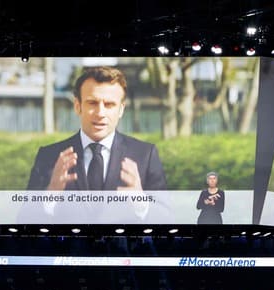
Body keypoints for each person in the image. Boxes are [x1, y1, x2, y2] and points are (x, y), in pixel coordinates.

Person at [25, 66, 167, 194]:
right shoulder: (49, 157)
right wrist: (50, 193)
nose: (100, 113)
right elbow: (24, 219)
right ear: (77, 106)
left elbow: (165, 218)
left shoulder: (144, 155)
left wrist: (142, 203)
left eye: (109, 104)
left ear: (121, 109)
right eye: (92, 103)